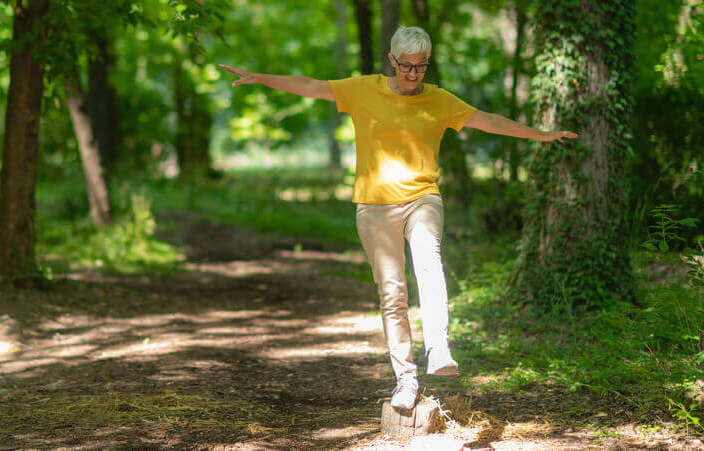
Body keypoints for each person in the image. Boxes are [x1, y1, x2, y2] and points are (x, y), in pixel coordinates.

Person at [219, 25, 577, 410]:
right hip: (374, 207)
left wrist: (540, 135)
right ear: (392, 60)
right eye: (406, 67)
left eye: (421, 67)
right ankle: (405, 379)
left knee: (429, 263)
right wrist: (259, 78)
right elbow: (310, 85)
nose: (412, 75)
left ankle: (439, 349)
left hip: (423, 197)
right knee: (392, 292)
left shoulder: (440, 100)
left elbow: (487, 120)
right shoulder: (363, 89)